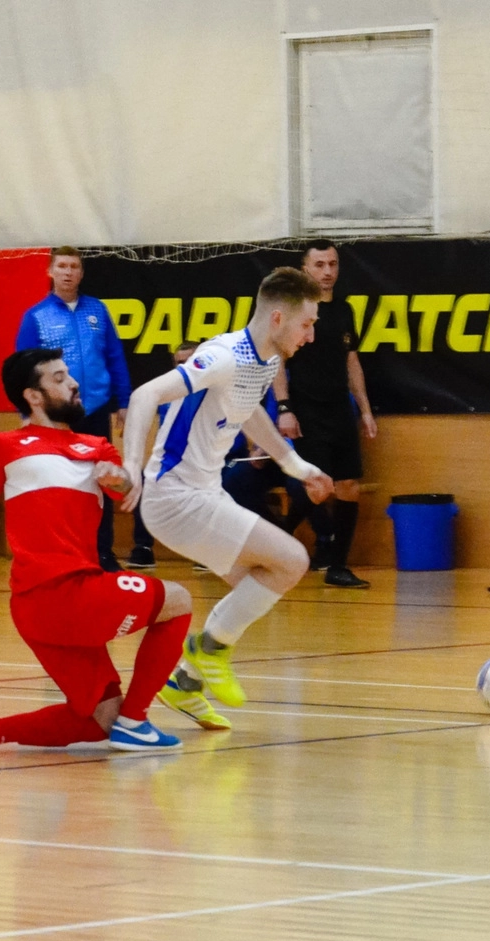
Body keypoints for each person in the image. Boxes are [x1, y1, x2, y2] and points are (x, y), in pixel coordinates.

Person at [0, 347, 203, 755]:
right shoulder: (6, 445)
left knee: (100, 720)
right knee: (178, 600)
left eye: (69, 375)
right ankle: (136, 721)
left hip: (61, 603)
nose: (74, 383)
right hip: (55, 595)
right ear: (33, 396)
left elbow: (129, 492)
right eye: (59, 378)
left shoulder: (97, 447)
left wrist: (118, 479)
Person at [120, 267, 334, 717]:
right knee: (293, 560)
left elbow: (248, 409)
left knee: (257, 583)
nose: (311, 336)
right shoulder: (223, 357)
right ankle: (207, 650)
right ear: (277, 318)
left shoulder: (266, 362)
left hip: (204, 493)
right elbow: (143, 396)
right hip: (175, 498)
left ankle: (185, 682)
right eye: (307, 323)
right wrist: (131, 467)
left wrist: (296, 466)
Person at [17, 246, 132, 571]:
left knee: (102, 479)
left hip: (95, 410)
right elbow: (23, 368)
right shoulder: (36, 316)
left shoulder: (97, 310)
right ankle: (65, 554)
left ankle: (103, 553)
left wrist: (124, 401)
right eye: (62, 266)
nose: (68, 272)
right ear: (50, 271)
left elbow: (115, 357)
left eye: (74, 267)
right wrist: (28, 413)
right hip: (57, 416)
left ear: (81, 273)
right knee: (62, 483)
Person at [275, 240, 376, 589]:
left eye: (332, 264)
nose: (327, 271)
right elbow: (276, 362)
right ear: (305, 269)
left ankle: (338, 566)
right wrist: (284, 408)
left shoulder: (344, 310)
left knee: (349, 486)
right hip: (307, 409)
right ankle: (273, 539)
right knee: (319, 487)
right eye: (319, 265)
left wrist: (365, 410)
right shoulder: (293, 310)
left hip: (340, 409)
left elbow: (352, 362)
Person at [124, 339, 199, 570]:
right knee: (145, 480)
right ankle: (143, 548)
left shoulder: (216, 391)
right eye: (179, 363)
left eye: (190, 362)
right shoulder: (167, 394)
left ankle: (205, 551)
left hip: (210, 459)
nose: (184, 368)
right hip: (174, 460)